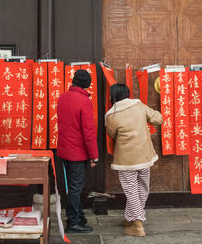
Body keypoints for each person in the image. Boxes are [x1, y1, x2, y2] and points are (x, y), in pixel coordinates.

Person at [105, 83, 162, 237]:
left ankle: (137, 223)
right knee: (143, 188)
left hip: (126, 159)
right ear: (128, 93)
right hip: (144, 154)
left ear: (112, 97)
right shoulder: (140, 106)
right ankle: (131, 219)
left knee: (131, 191)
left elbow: (112, 134)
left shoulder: (111, 114)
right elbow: (158, 119)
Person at [57, 69, 98, 233]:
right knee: (75, 188)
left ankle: (79, 215)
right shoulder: (84, 101)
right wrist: (94, 156)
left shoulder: (63, 97)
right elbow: (89, 132)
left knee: (72, 186)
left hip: (64, 150)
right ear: (86, 84)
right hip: (77, 152)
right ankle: (73, 222)